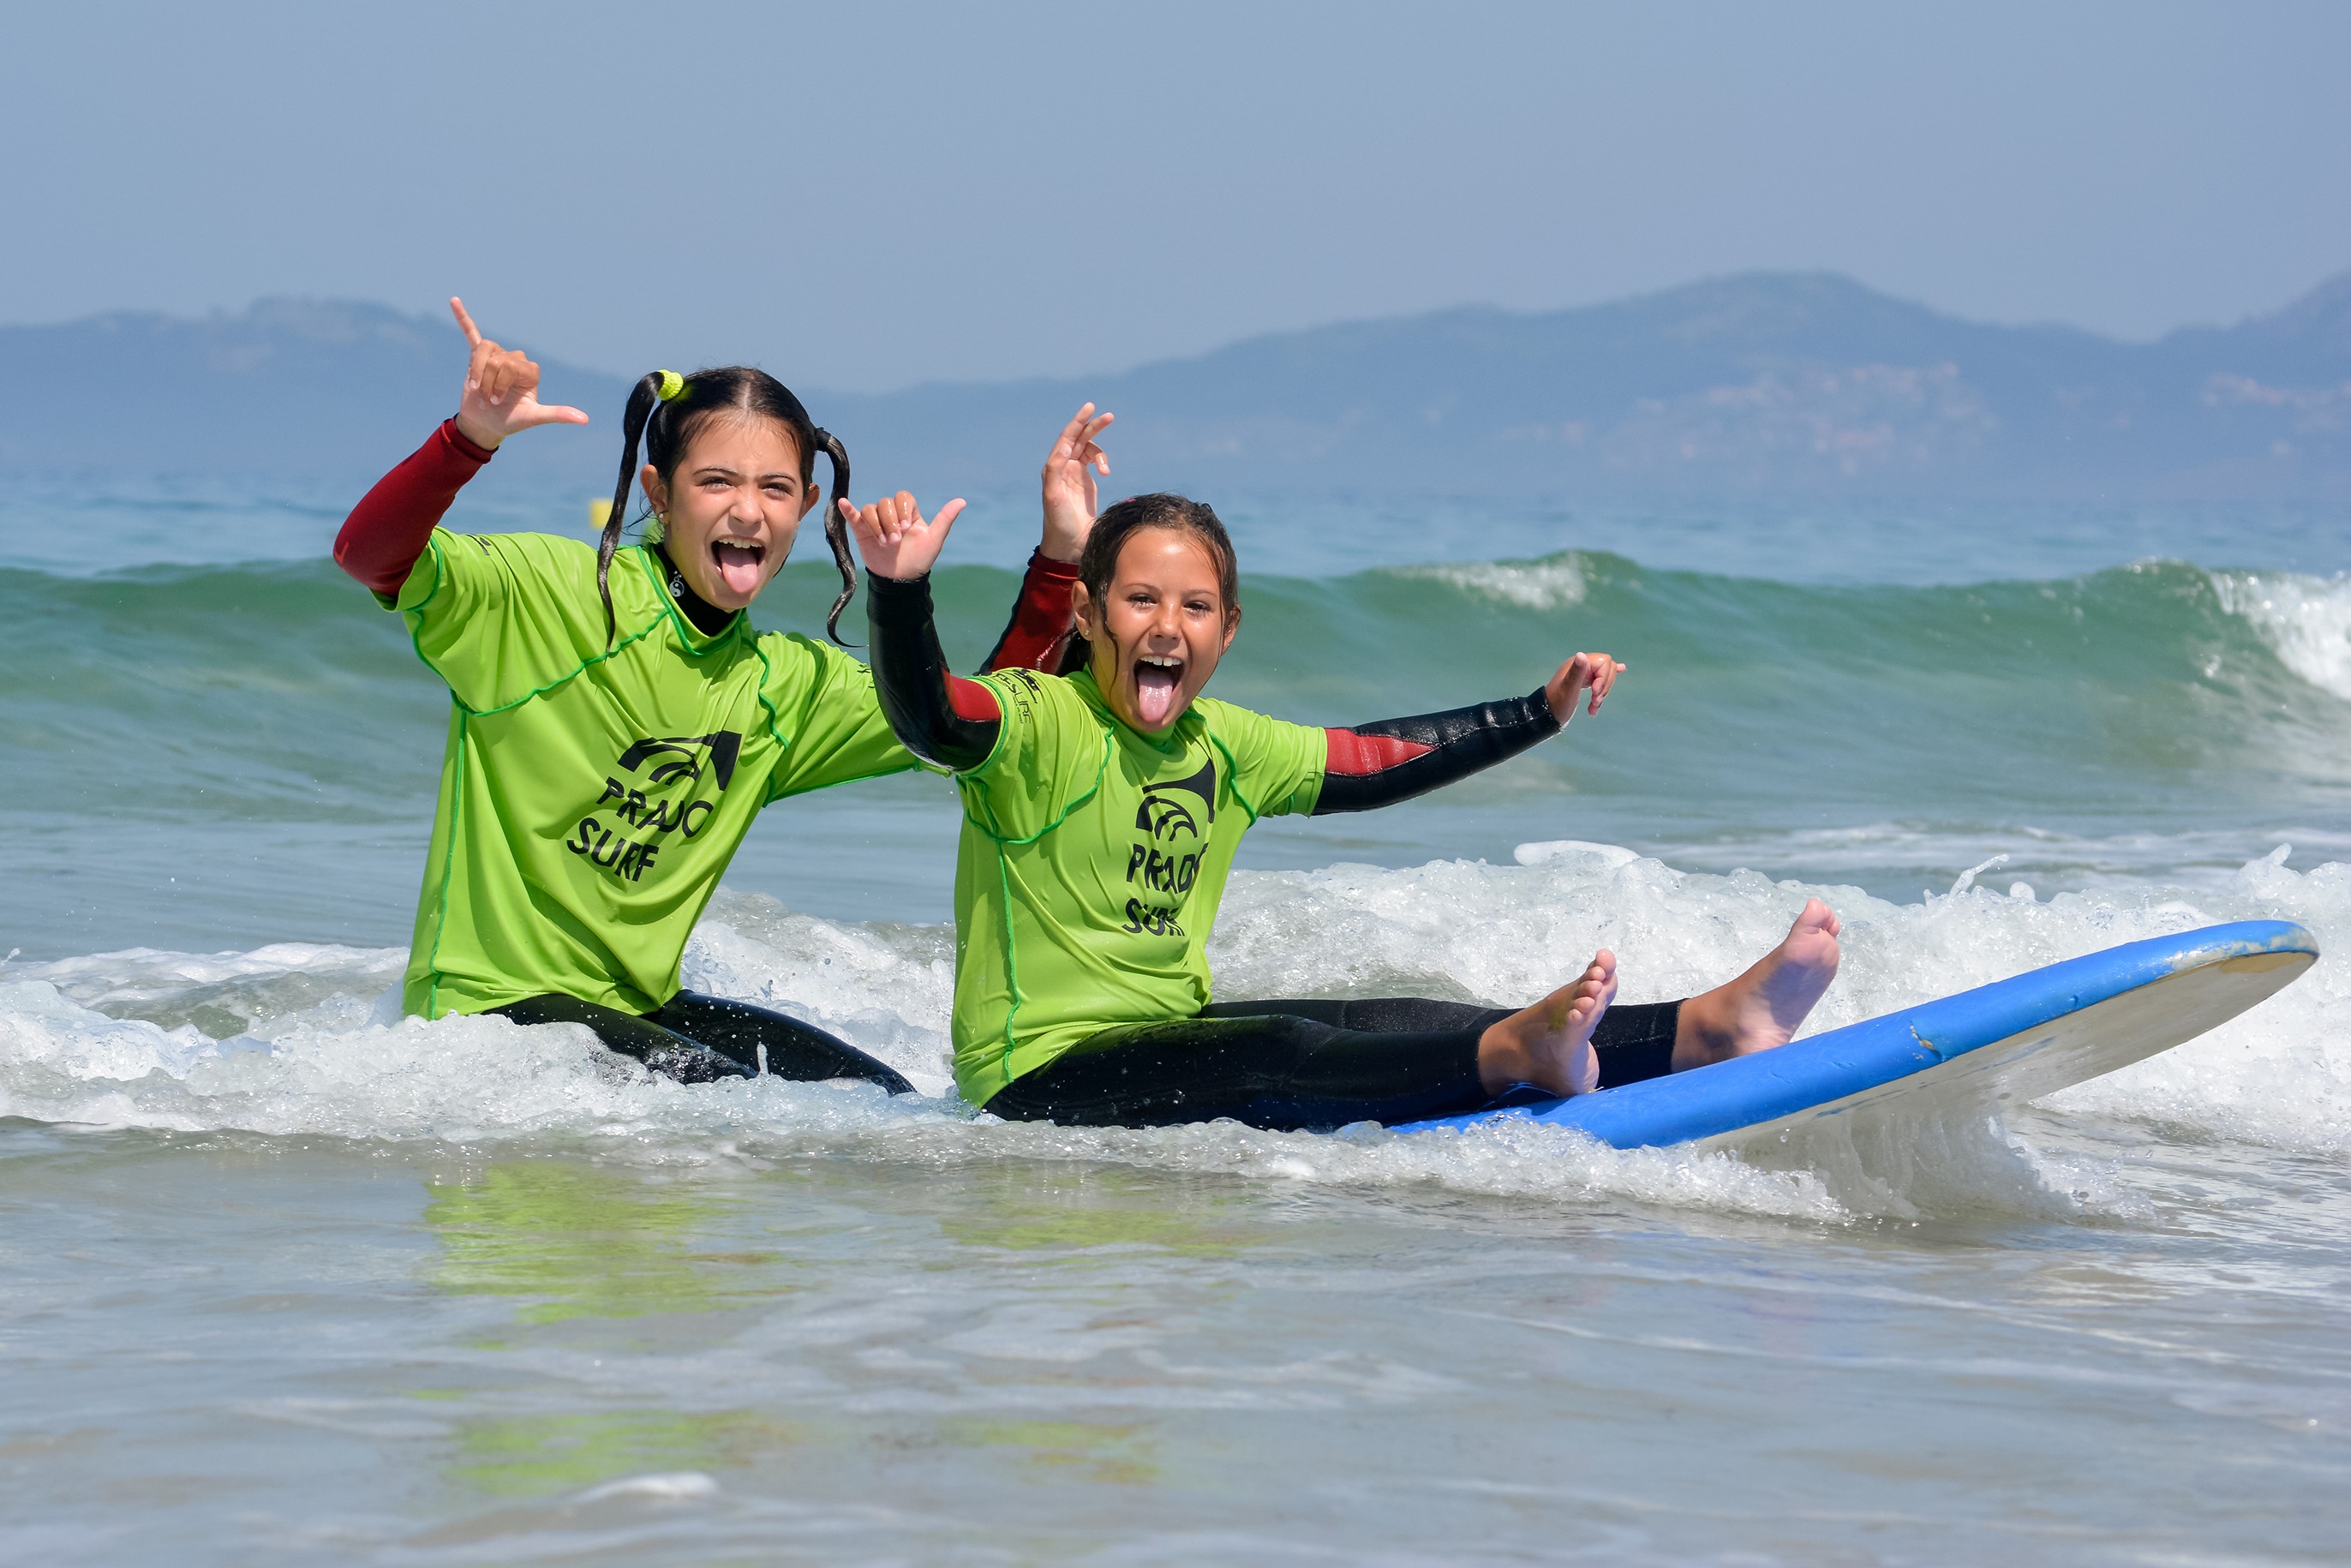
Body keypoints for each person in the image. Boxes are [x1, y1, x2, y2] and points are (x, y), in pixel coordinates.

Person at [838, 422, 1845, 1129]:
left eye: (1194, 608)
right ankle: (1512, 1059)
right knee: (1277, 1049)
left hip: (1159, 1038)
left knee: (1386, 1015)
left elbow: (1373, 761)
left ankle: (1709, 1029)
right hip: (1036, 1080)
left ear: (1226, 632)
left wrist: (1534, 713)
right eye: (1139, 599)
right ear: (1092, 617)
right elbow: (930, 712)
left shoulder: (1222, 747)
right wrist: (898, 592)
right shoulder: (1040, 723)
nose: (1165, 626)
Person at [332, 299, 1086, 1087]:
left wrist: (1060, 555)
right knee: (741, 1104)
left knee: (877, 1102)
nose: (748, 510)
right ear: (660, 493)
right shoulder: (550, 601)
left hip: (634, 1008)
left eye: (776, 488)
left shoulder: (783, 687)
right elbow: (368, 556)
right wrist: (468, 439)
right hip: (488, 1016)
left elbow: (970, 723)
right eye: (716, 481)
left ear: (805, 508)